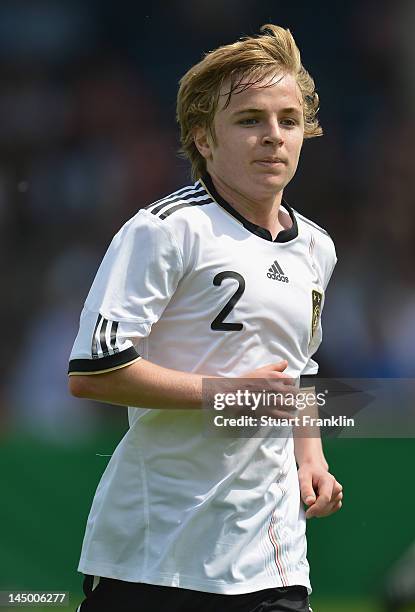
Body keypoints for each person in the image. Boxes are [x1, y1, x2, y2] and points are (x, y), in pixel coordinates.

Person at [69, 24, 342, 612]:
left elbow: (298, 372)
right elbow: (93, 372)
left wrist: (311, 457)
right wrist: (226, 395)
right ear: (204, 139)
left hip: (273, 555)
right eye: (249, 120)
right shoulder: (164, 231)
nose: (274, 137)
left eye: (288, 120)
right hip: (155, 555)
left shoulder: (316, 248)